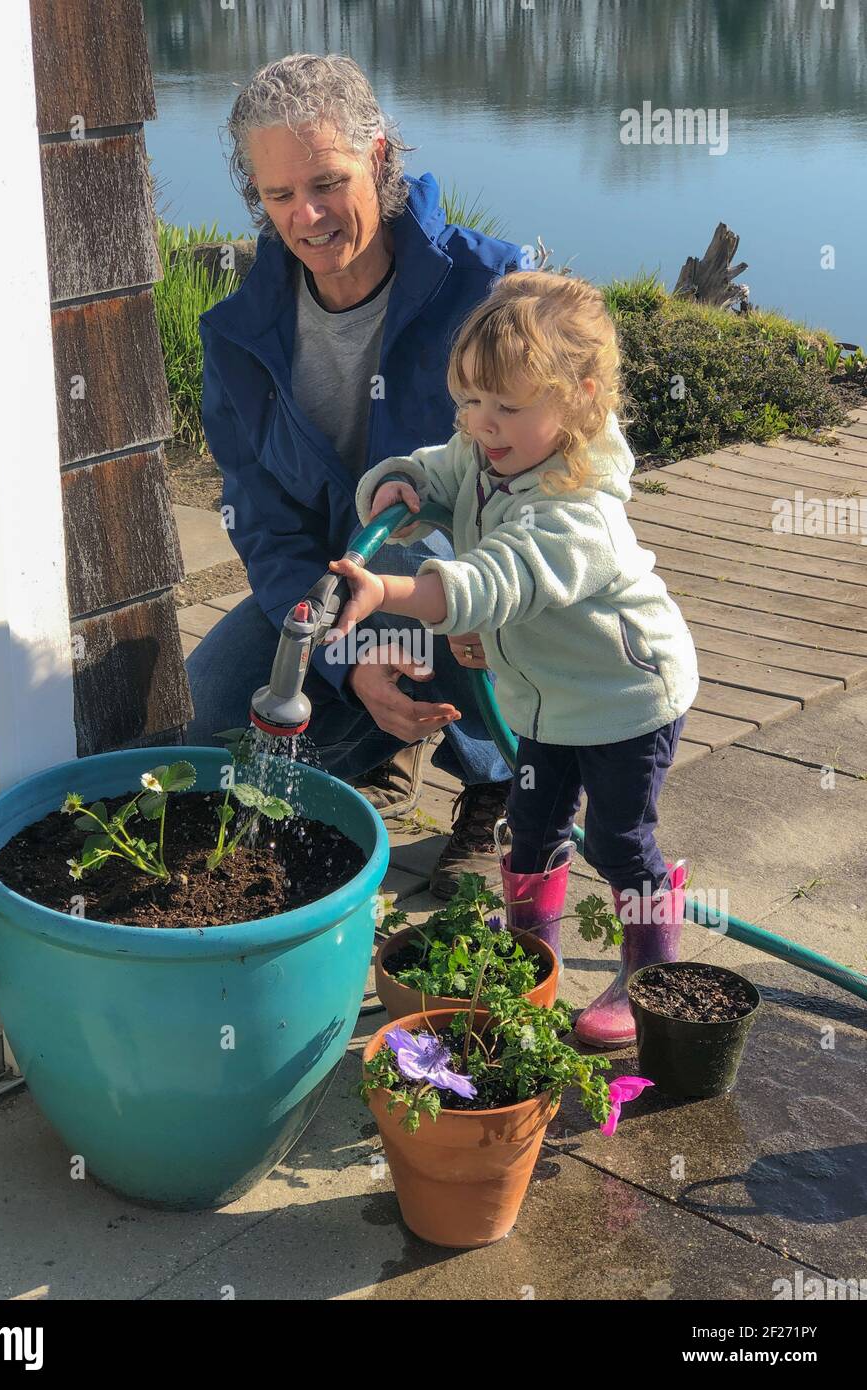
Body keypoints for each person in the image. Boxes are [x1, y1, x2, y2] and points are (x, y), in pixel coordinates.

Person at [327, 270, 700, 1047]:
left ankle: (651, 968)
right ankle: (532, 957)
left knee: (616, 839)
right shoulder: (488, 453)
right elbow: (436, 468)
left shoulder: (578, 512)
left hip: (624, 698)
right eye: (468, 400)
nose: (479, 423)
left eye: (504, 406)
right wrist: (397, 484)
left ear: (580, 398)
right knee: (528, 828)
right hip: (543, 701)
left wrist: (388, 591)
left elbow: (490, 582)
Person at [186, 52, 523, 897]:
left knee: (413, 549)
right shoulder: (237, 337)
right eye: (277, 195)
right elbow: (262, 524)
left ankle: (502, 784)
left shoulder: (492, 289)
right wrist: (347, 659)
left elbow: (565, 475)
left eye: (327, 181)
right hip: (341, 587)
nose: (307, 215)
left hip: (488, 585)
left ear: (379, 160)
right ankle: (383, 733)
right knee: (219, 702)